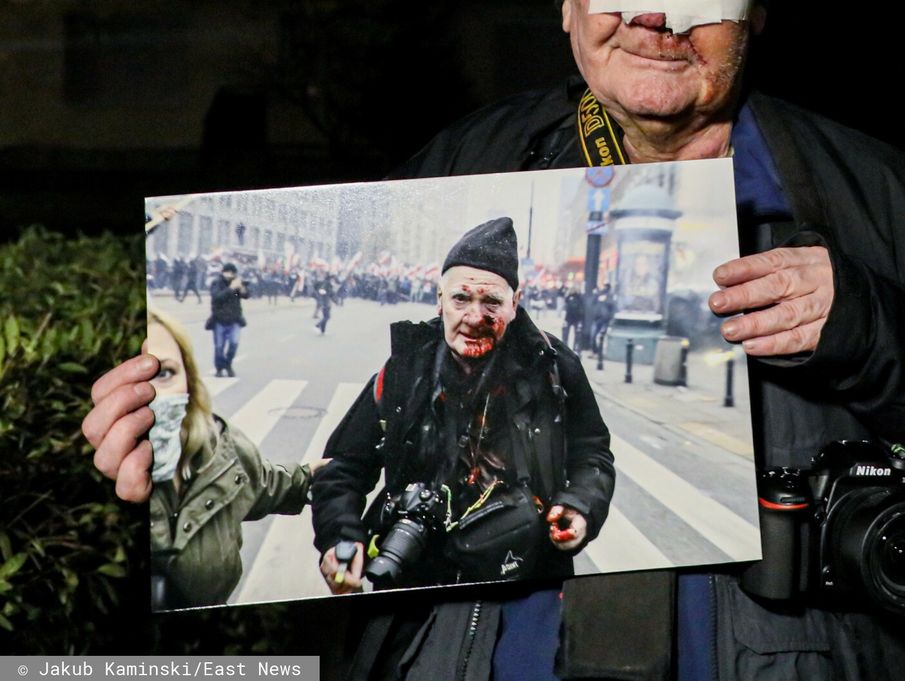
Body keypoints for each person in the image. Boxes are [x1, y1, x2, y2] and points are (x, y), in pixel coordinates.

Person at [85, 0, 905, 680]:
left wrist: (873, 326)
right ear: (565, 5)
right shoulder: (449, 177)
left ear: (756, 7)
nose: (654, 6)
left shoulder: (890, 205)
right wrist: (175, 440)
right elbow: (340, 461)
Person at [313, 216, 614, 594]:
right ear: (440, 301)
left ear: (515, 304)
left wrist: (579, 507)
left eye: (491, 302)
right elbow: (343, 467)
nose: (474, 317)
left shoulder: (553, 367)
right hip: (416, 580)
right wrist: (340, 537)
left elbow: (592, 456)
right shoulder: (405, 371)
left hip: (527, 579)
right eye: (461, 298)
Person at [140, 307, 321, 610]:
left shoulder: (216, 448)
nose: (151, 393)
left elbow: (261, 485)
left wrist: (313, 477)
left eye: (164, 373)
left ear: (189, 380)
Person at [209, 260, 248, 377]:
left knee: (234, 344)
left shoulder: (236, 284)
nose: (229, 275)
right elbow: (217, 298)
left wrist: (241, 289)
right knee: (219, 347)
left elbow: (244, 296)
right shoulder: (217, 283)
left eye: (232, 273)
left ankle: (228, 364)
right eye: (227, 272)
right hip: (219, 319)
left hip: (235, 319)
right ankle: (219, 368)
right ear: (223, 273)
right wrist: (231, 288)